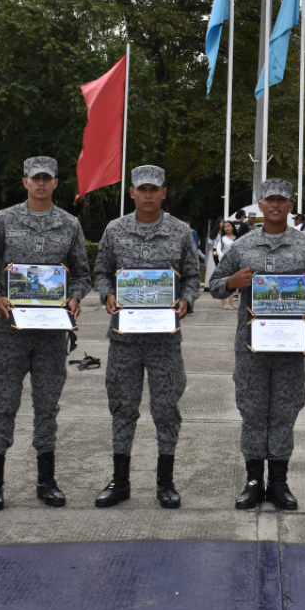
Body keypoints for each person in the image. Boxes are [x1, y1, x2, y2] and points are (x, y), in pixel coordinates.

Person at [0, 156, 91, 511]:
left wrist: (74, 296)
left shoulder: (69, 224)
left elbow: (83, 274)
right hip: (11, 332)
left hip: (51, 335)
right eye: (35, 178)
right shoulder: (4, 220)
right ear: (24, 181)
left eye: (47, 178)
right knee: (4, 404)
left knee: (47, 406)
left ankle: (47, 481)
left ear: (56, 183)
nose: (41, 183)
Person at [209, 179, 305, 511]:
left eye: (282, 200)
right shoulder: (243, 246)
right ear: (259, 206)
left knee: (284, 411)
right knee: (252, 411)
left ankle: (278, 481)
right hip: (252, 348)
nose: (276, 205)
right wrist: (232, 283)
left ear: (291, 206)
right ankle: (252, 481)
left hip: (291, 349)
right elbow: (215, 286)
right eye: (269, 200)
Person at [93, 166, 200, 510]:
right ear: (132, 192)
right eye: (143, 189)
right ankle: (120, 481)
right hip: (125, 338)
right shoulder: (115, 230)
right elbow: (101, 272)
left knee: (166, 408)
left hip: (164, 339)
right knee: (123, 407)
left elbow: (192, 277)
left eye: (155, 189)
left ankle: (165, 482)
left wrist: (187, 299)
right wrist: (107, 294)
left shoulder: (180, 232)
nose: (149, 195)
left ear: (164, 193)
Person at [213, 221, 239, 308]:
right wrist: (223, 257)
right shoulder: (222, 238)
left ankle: (232, 304)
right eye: (225, 227)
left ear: (232, 227)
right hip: (223, 263)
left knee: (232, 283)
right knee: (223, 283)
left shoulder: (237, 238)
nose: (226, 228)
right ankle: (224, 304)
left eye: (228, 226)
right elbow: (218, 249)